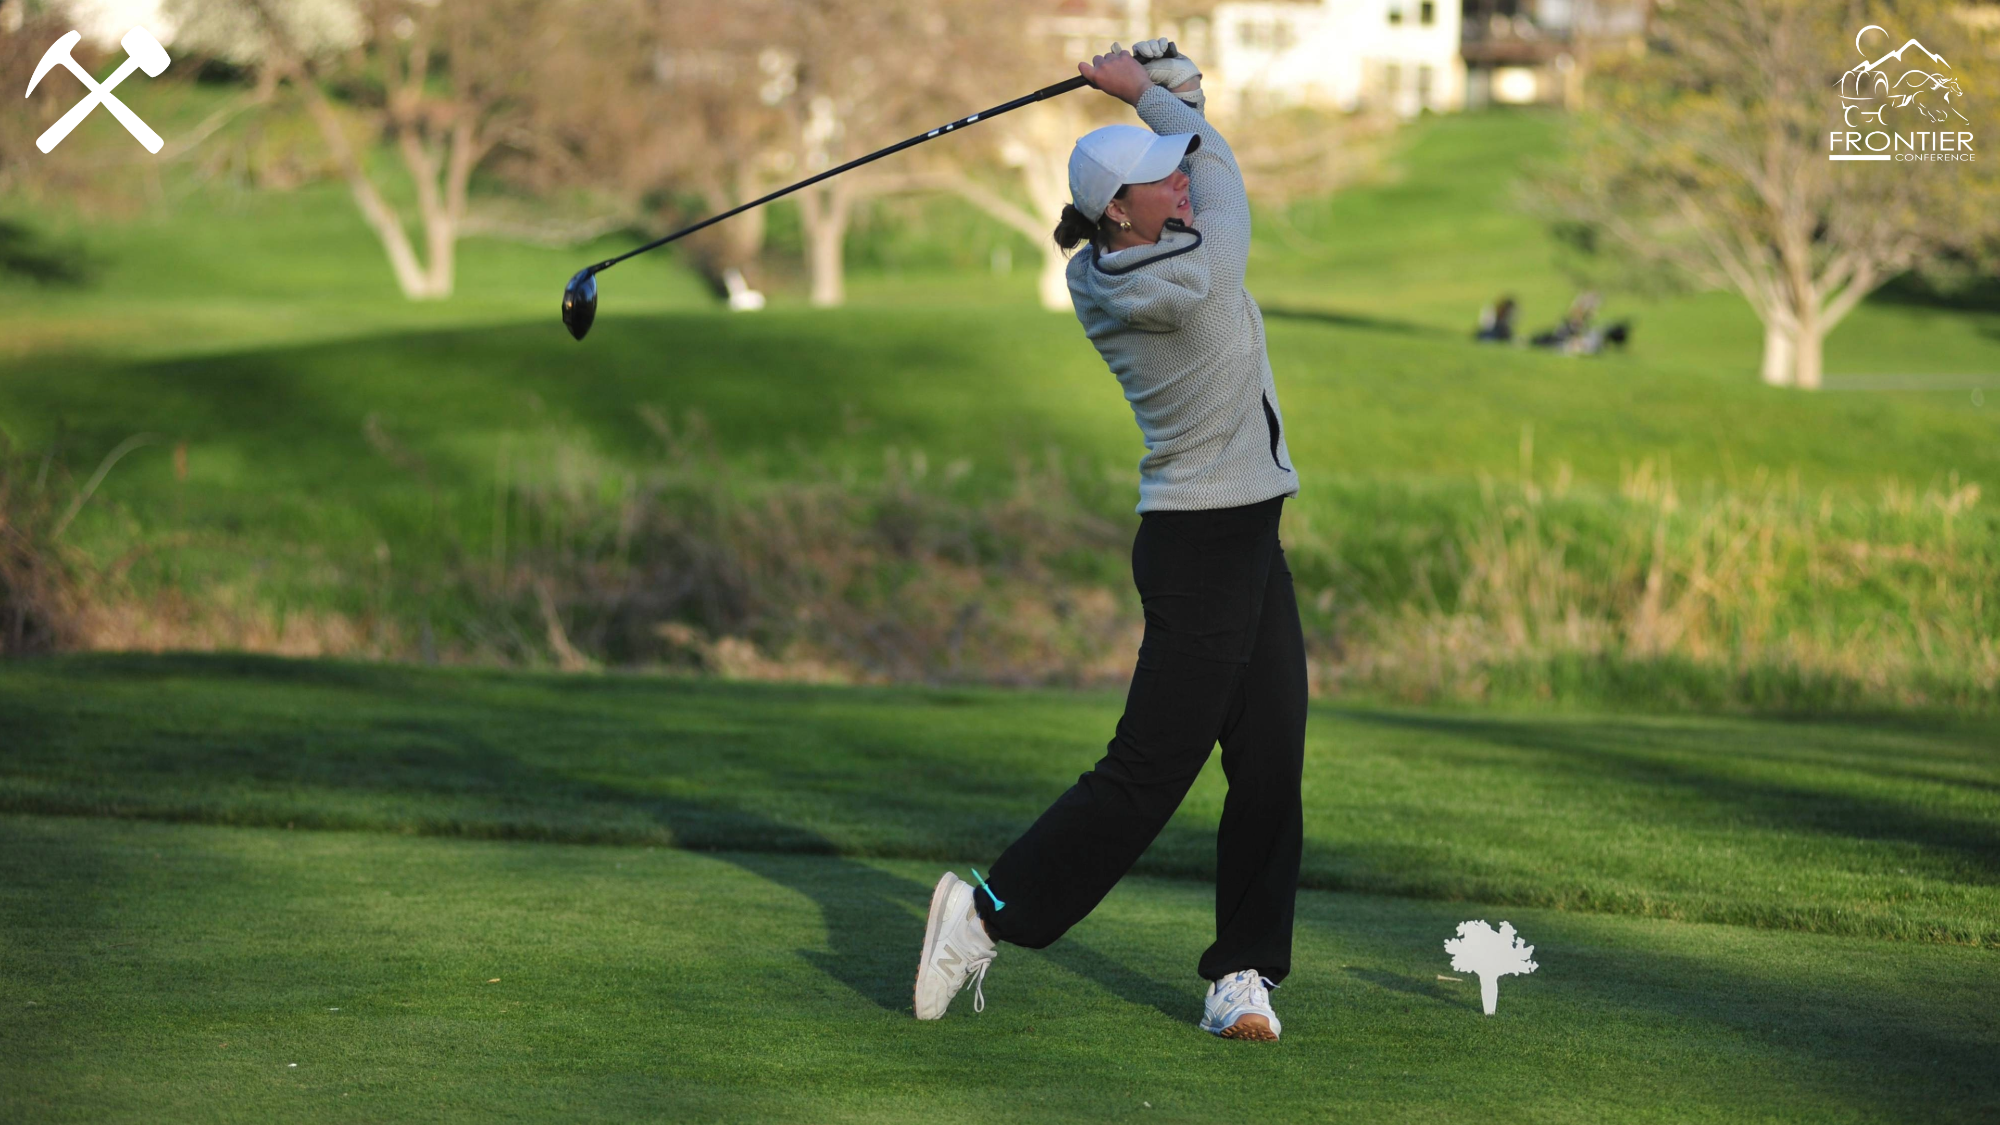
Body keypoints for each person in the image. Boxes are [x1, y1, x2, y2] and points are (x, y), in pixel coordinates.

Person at [912, 41, 1306, 1042]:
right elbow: (1223, 183)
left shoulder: (1121, 252)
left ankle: (1241, 973)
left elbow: (1195, 156)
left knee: (1270, 758)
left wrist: (1172, 88)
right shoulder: (1171, 278)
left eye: (1171, 173)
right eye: (1157, 180)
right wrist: (1147, 97)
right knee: (1147, 773)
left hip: (1241, 532)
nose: (1179, 182)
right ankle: (984, 917)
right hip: (1203, 547)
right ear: (1120, 213)